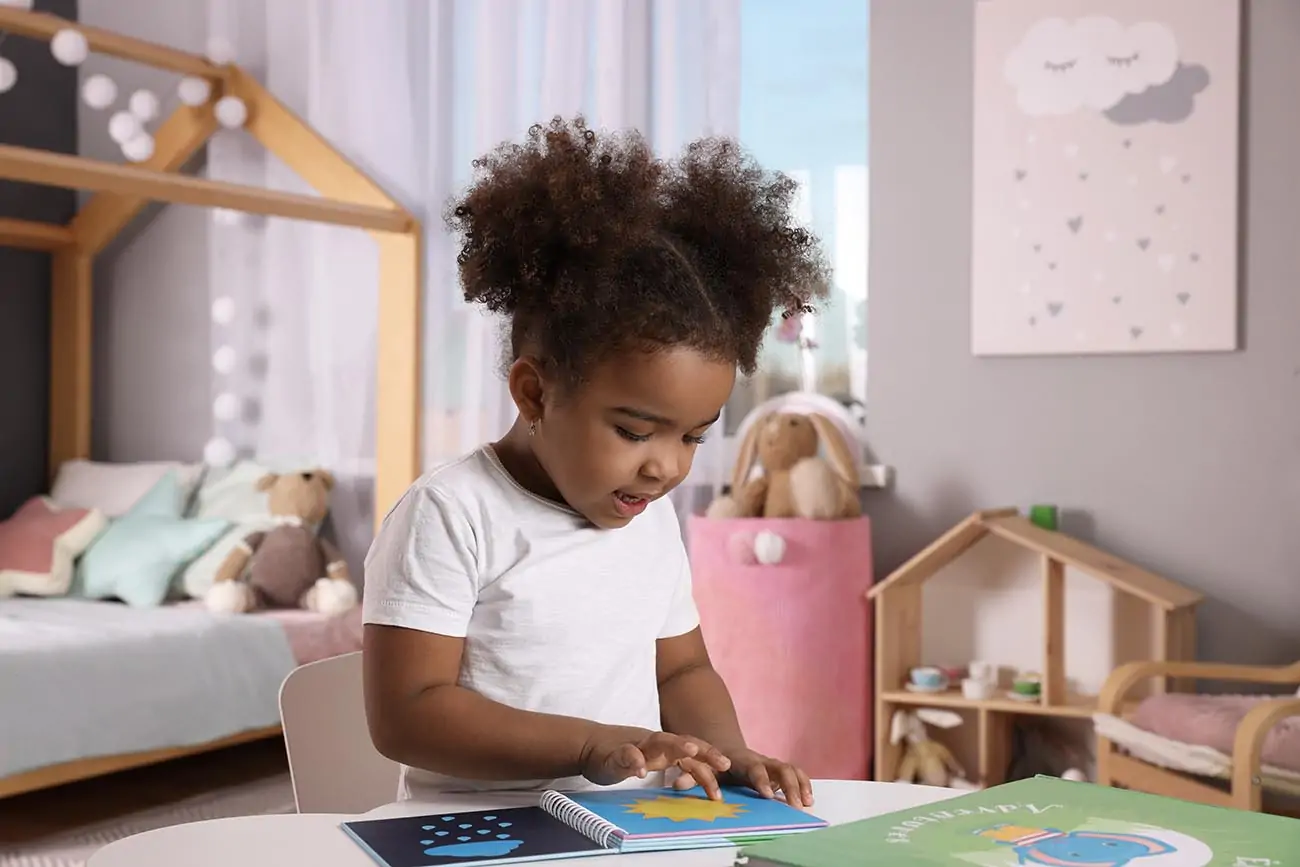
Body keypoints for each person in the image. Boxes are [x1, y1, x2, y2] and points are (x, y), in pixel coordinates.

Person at [362, 116, 831, 807]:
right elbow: (407, 712)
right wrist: (588, 745)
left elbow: (683, 670)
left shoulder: (650, 519)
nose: (665, 467)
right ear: (535, 392)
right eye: (636, 430)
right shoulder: (452, 514)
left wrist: (726, 752)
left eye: (693, 437)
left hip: (624, 823)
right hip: (479, 831)